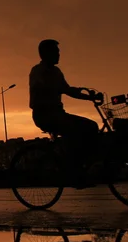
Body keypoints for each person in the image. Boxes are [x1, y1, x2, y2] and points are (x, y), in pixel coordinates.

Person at [29, 39, 99, 184]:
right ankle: (73, 170)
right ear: (45, 54)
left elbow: (67, 90)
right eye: (56, 52)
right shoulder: (37, 71)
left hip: (58, 113)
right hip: (44, 115)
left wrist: (89, 97)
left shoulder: (57, 72)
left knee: (91, 126)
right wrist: (55, 88)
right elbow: (38, 87)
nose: (59, 54)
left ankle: (79, 163)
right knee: (73, 130)